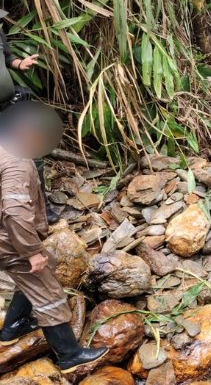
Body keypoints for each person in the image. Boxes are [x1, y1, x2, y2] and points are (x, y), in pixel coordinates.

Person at [0, 101, 107, 373]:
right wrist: (30, 251)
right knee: (48, 291)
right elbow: (14, 212)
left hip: (6, 236)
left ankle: (14, 325)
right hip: (9, 239)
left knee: (43, 264)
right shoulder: (16, 163)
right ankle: (69, 355)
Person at [0, 9, 59, 224]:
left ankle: (43, 207)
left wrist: (19, 64)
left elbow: (7, 56)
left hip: (8, 106)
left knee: (32, 154)